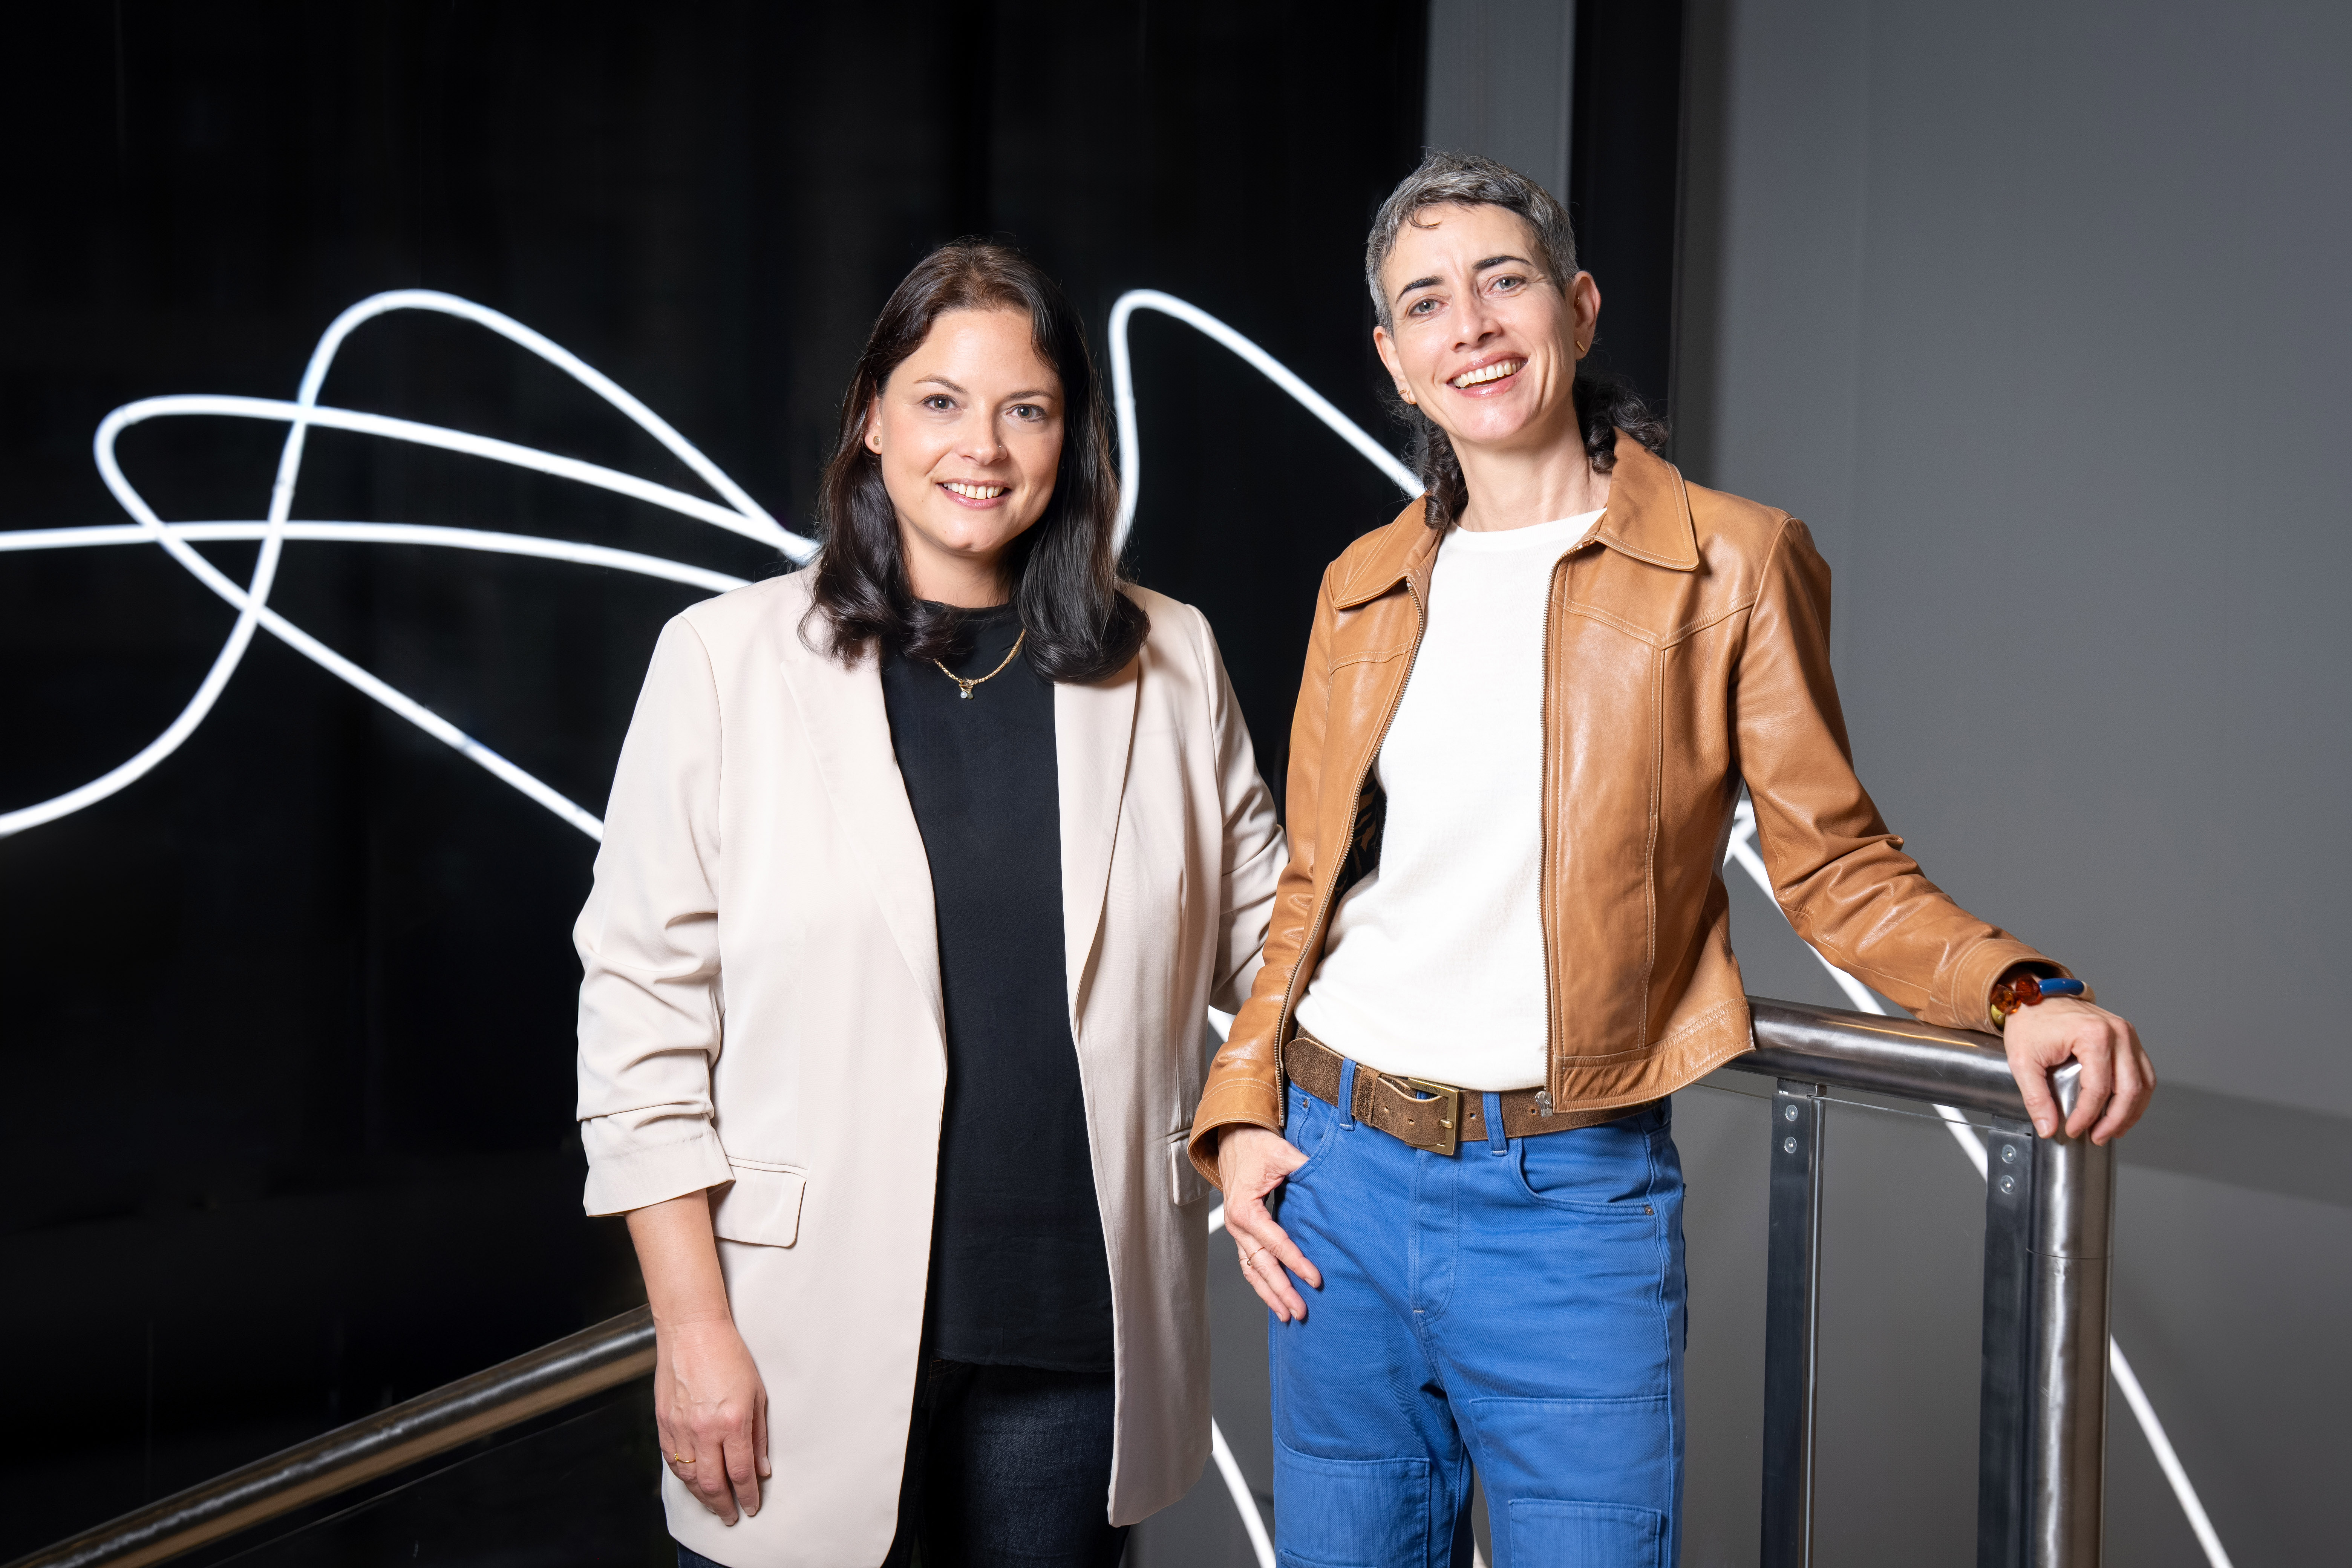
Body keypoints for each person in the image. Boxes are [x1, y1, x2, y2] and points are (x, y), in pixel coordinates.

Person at [1190, 152, 2156, 1568]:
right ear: (1394, 360)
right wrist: (1235, 1116)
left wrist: (2021, 992)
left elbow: (1837, 866)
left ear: (1578, 308)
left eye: (1504, 281)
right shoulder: (1365, 581)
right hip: (1335, 1177)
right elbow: (1313, 887)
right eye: (1427, 303)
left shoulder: (1736, 563)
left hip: (1569, 1201)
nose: (1472, 326)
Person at [577, 242, 1283, 1568]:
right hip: (798, 1337)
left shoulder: (1171, 657)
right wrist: (693, 1328)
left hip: (1077, 1343)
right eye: (941, 401)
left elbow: (1274, 951)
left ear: (1072, 436)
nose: (984, 448)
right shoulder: (723, 663)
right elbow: (638, 1031)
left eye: (1028, 408)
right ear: (872, 417)